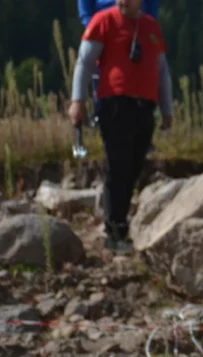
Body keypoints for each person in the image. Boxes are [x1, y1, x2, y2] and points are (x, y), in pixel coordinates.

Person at [69, 0, 173, 254]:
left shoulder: (150, 27)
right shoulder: (102, 22)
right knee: (117, 165)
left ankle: (119, 224)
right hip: (115, 104)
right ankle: (114, 230)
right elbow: (84, 62)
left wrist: (167, 109)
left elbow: (162, 70)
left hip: (144, 107)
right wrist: (77, 101)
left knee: (134, 166)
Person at [78, 0, 161, 127]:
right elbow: (85, 8)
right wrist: (96, 29)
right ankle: (101, 115)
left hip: (137, 27)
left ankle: (143, 119)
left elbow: (152, 7)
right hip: (103, 30)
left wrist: (146, 26)